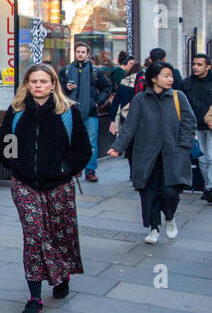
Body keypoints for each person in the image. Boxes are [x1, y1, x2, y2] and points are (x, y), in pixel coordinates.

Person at [0, 63, 91, 313]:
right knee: (34, 236)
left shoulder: (68, 112)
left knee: (59, 234)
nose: (38, 85)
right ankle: (35, 297)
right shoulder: (16, 111)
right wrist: (17, 166)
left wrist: (63, 169)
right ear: (27, 84)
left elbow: (82, 150)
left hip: (58, 186)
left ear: (53, 85)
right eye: (33, 81)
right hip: (24, 185)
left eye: (43, 81)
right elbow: (6, 147)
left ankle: (62, 275)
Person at [107, 61, 196, 244]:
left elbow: (189, 123)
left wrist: (184, 146)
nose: (170, 79)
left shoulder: (178, 97)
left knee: (171, 192)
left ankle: (169, 217)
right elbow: (130, 126)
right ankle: (153, 228)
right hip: (146, 155)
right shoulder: (140, 99)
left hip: (173, 154)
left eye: (171, 76)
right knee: (149, 192)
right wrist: (118, 146)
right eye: (166, 76)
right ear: (154, 78)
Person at [58, 43, 111, 183]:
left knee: (91, 143)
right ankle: (75, 168)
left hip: (90, 112)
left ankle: (90, 170)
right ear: (74, 53)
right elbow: (57, 90)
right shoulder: (66, 71)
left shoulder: (96, 71)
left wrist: (97, 102)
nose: (80, 54)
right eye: (78, 51)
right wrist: (65, 87)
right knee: (70, 141)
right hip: (70, 112)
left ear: (88, 54)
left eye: (83, 52)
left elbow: (107, 87)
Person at [181, 53, 212, 201]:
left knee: (211, 158)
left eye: (199, 64)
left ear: (208, 66)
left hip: (210, 125)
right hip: (195, 126)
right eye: (194, 64)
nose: (195, 67)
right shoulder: (186, 83)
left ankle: (210, 188)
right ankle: (207, 187)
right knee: (202, 159)